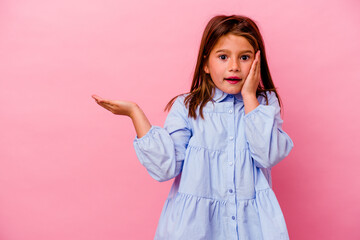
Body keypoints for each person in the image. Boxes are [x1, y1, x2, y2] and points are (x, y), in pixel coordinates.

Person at [92, 15, 293, 240]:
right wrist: (134, 112)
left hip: (252, 228)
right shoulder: (188, 107)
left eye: (244, 57)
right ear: (206, 64)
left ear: (257, 62)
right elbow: (165, 168)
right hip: (196, 228)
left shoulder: (264, 104)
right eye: (223, 57)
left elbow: (268, 155)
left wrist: (249, 97)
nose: (234, 67)